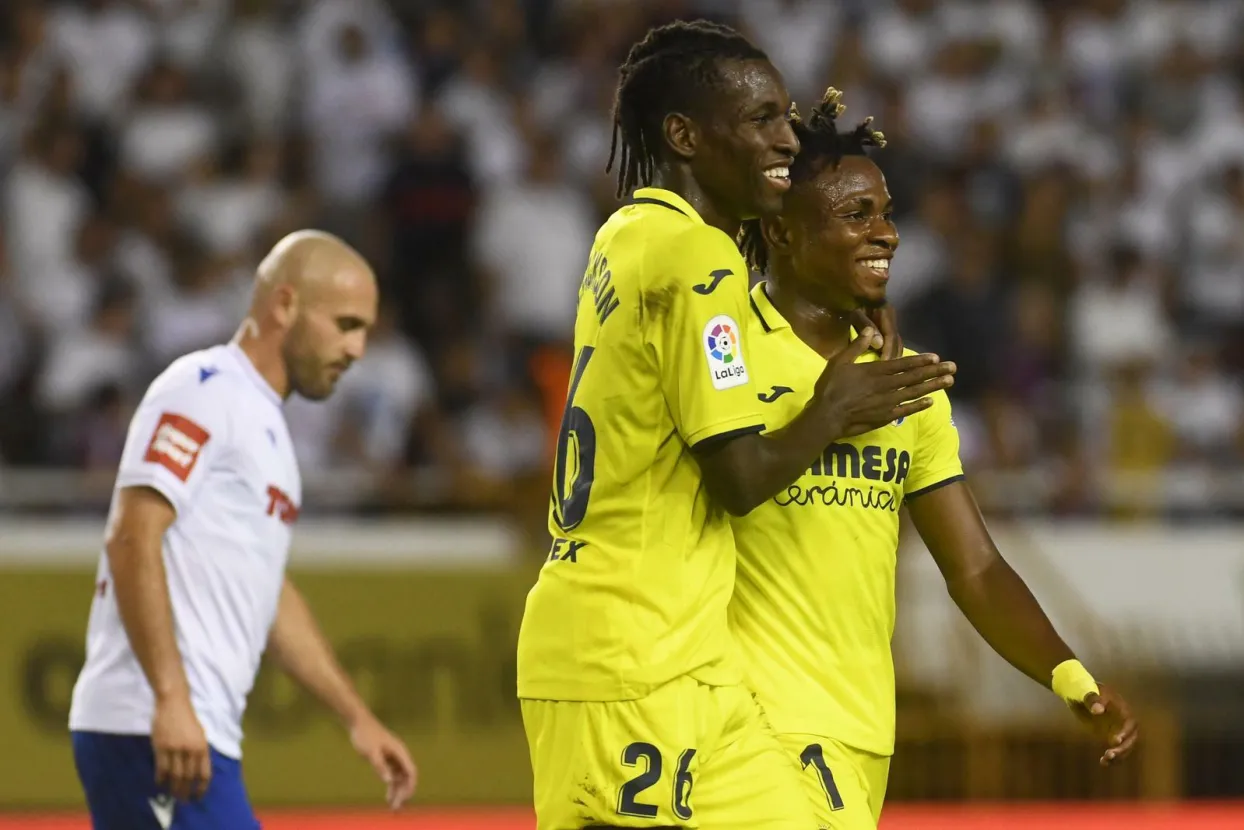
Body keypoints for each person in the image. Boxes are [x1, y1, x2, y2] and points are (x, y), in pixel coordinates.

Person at [515, 20, 957, 830]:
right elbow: (739, 476)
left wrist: (843, 297)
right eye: (761, 119)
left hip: (683, 658)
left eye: (785, 116)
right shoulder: (699, 259)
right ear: (684, 136)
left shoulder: (624, 236)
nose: (787, 137)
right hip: (629, 649)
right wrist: (835, 407)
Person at [730, 89, 1140, 830]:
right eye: (857, 215)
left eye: (887, 214)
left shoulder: (908, 383)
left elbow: (974, 567)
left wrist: (1070, 678)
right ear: (782, 231)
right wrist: (825, 416)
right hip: (741, 726)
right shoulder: (723, 351)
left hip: (857, 729)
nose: (886, 234)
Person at [68, 230, 417, 829]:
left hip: (187, 730)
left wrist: (356, 717)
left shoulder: (267, 430)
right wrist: (170, 698)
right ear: (285, 304)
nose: (358, 349)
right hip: (146, 724)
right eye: (346, 325)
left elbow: (267, 593)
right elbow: (132, 536)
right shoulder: (203, 389)